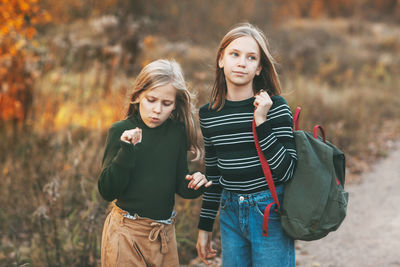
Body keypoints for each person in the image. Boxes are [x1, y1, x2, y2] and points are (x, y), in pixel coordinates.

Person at [196, 23, 298, 266]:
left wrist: (261, 121)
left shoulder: (275, 106)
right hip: (230, 213)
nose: (242, 62)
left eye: (251, 57)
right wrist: (204, 228)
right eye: (235, 54)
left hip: (269, 212)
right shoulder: (209, 114)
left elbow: (287, 171)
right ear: (221, 60)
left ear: (259, 68)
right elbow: (214, 175)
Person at [98, 59, 212, 267]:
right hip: (126, 233)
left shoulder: (176, 132)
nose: (157, 110)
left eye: (166, 103)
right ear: (138, 96)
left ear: (176, 104)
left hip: (163, 236)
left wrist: (197, 183)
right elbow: (107, 190)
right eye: (151, 100)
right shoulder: (120, 131)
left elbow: (180, 185)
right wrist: (127, 150)